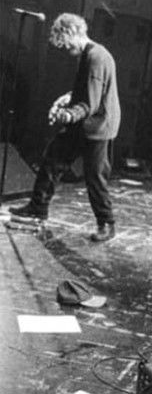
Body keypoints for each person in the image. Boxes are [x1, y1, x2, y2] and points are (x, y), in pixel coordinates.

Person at [10, 13, 121, 242]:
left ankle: (106, 223)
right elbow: (87, 91)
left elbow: (90, 103)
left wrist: (69, 114)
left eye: (66, 44)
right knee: (53, 158)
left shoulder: (96, 58)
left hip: (97, 127)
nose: (67, 50)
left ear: (73, 33)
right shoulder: (89, 54)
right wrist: (67, 99)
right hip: (86, 122)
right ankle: (38, 208)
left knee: (95, 176)